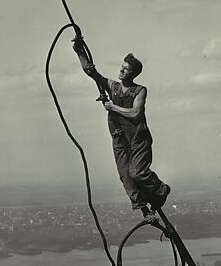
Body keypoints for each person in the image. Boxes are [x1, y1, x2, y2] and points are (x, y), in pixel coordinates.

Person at [73, 38, 171, 222]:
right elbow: (91, 72)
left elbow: (135, 113)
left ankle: (160, 189)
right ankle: (145, 211)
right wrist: (79, 51)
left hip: (138, 139)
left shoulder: (140, 90)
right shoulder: (113, 87)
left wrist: (113, 108)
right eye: (122, 66)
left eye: (126, 68)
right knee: (126, 177)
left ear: (133, 73)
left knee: (137, 173)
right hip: (119, 138)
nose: (121, 70)